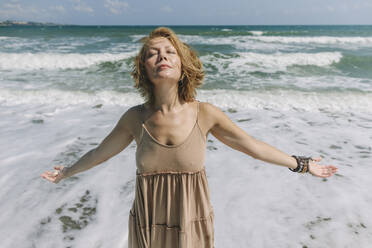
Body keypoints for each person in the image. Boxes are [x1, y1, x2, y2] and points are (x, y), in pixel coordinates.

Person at [41, 27, 338, 248]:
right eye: (152, 54)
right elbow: (100, 153)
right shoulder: (135, 118)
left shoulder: (206, 114)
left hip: (191, 225)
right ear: (144, 68)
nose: (161, 56)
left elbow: (252, 147)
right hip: (148, 225)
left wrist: (301, 164)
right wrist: (67, 172)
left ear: (183, 64)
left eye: (170, 52)